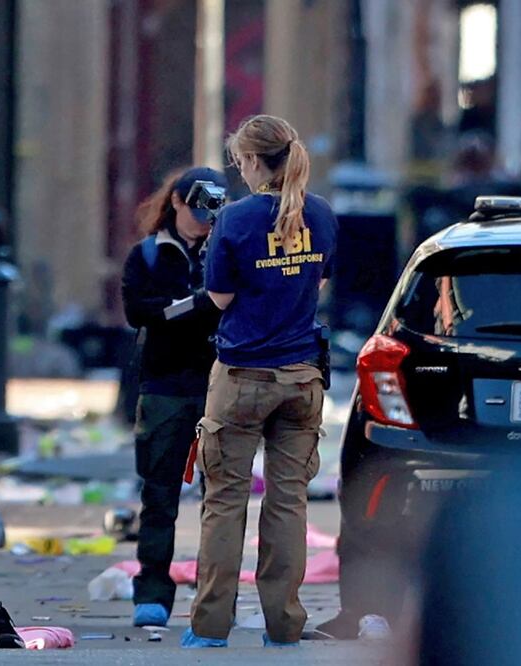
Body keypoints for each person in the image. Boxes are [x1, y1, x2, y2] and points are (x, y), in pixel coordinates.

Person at [181, 115, 337, 648]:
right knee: (289, 501)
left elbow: (220, 299)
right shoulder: (320, 214)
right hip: (302, 377)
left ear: (250, 162)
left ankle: (210, 629)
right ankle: (284, 625)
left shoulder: (237, 220)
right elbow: (318, 284)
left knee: (225, 501)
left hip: (243, 374)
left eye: (241, 161)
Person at [121, 165, 228, 627]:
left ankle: (212, 597)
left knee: (220, 497)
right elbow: (137, 312)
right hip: (164, 384)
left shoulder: (224, 250)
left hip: (219, 382)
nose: (205, 221)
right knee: (160, 493)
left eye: (213, 213)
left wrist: (180, 310)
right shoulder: (147, 255)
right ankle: (152, 590)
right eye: (198, 210)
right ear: (178, 203)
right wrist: (198, 304)